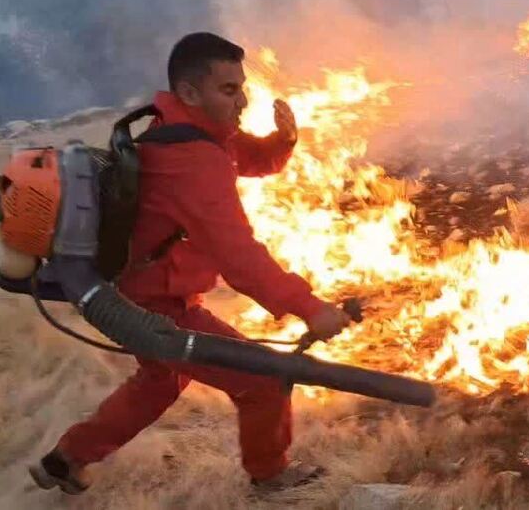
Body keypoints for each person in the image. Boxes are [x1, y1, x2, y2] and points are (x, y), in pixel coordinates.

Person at [29, 32, 350, 494]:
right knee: (266, 379)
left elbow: (251, 159)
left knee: (158, 384)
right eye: (228, 90)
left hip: (144, 292)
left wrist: (285, 140)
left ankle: (64, 461)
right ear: (189, 92)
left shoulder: (187, 132)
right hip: (159, 305)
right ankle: (271, 477)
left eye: (242, 87)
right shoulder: (192, 160)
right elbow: (240, 259)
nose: (241, 101)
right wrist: (310, 308)